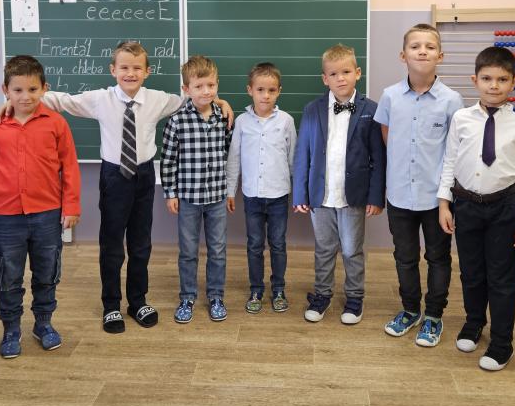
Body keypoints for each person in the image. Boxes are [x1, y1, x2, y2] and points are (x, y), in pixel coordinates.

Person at [0, 41, 233, 334]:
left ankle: (138, 300)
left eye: (137, 68)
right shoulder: (100, 99)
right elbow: (60, 100)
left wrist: (221, 102)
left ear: (147, 72)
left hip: (143, 176)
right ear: (113, 70)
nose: (131, 73)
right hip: (114, 177)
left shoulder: (158, 99)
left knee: (141, 244)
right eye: (124, 67)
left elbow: (195, 97)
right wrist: (11, 102)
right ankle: (111, 305)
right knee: (112, 244)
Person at [0, 55, 81, 359]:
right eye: (17, 90)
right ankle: (11, 329)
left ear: (45, 88)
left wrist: (71, 206)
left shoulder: (56, 123)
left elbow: (70, 166)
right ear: (5, 90)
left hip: (47, 214)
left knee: (47, 271)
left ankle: (43, 323)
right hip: (7, 216)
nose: (25, 97)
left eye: (32, 89)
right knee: (8, 275)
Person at [438, 47, 515, 371]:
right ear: (475, 80)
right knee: (471, 272)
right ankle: (473, 322)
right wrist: (444, 203)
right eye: (487, 78)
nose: (494, 85)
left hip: (504, 209)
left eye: (502, 79)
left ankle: (501, 342)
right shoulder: (461, 119)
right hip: (466, 205)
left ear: (514, 82)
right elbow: (449, 162)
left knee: (502, 278)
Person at [374, 23, 462, 347]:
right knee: (405, 257)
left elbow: (454, 151)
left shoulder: (452, 100)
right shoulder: (390, 97)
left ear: (441, 55)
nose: (422, 51)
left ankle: (434, 316)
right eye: (415, 46)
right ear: (403, 55)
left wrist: (446, 199)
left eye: (429, 46)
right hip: (399, 195)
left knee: (438, 258)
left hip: (437, 199)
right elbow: (388, 139)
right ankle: (410, 310)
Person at [293, 44, 385, 325]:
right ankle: (322, 294)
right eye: (333, 74)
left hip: (353, 196)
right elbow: (303, 154)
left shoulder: (371, 110)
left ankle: (354, 297)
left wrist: (376, 197)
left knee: (352, 249)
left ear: (357, 73)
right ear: (325, 79)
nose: (340, 78)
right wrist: (300, 193)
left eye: (346, 72)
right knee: (323, 248)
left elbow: (379, 158)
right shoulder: (312, 110)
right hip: (320, 195)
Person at [161, 55, 233, 323]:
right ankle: (187, 297)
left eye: (211, 85)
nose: (206, 91)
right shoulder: (177, 121)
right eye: (199, 86)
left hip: (216, 197)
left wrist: (229, 189)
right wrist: (170, 193)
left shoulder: (223, 118)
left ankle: (216, 296)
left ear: (217, 85)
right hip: (188, 198)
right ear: (186, 89)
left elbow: (230, 154)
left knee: (218, 250)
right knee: (188, 251)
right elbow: (168, 160)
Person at [226, 62, 297, 314]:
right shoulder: (242, 122)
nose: (265, 95)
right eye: (260, 90)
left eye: (271, 90)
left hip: (278, 195)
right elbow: (234, 158)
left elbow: (293, 158)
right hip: (252, 196)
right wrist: (230, 191)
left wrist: (298, 193)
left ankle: (278, 289)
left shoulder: (286, 121)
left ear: (279, 91)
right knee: (254, 244)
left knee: (278, 244)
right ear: (250, 90)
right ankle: (256, 289)